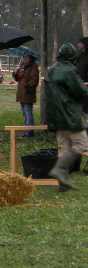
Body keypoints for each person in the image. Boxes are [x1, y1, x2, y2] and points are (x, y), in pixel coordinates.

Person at [43, 43, 88, 191]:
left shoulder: (51, 71)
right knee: (82, 144)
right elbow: (80, 91)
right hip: (69, 115)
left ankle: (62, 184)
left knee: (64, 147)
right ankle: (59, 169)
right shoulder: (69, 71)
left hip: (55, 116)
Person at [12, 52, 40, 137]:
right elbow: (18, 79)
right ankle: (25, 131)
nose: (25, 59)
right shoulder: (22, 66)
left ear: (31, 58)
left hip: (28, 93)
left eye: (27, 57)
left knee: (28, 112)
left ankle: (29, 132)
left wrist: (28, 86)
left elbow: (35, 79)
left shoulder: (33, 66)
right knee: (24, 112)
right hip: (21, 92)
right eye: (24, 57)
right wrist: (15, 74)